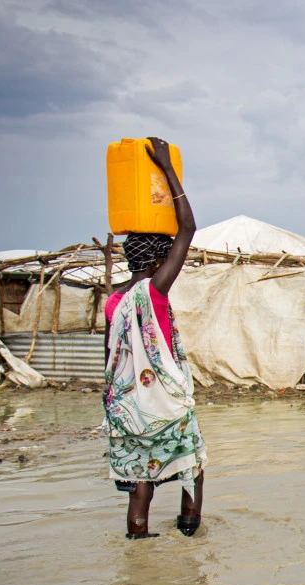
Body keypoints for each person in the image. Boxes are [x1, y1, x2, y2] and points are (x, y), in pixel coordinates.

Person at [101, 137, 206, 540]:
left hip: (126, 406)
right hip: (163, 404)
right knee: (192, 466)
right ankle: (190, 533)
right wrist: (166, 168)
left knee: (140, 482)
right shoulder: (155, 292)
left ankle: (138, 543)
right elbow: (188, 227)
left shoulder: (115, 302)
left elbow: (108, 360)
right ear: (159, 260)